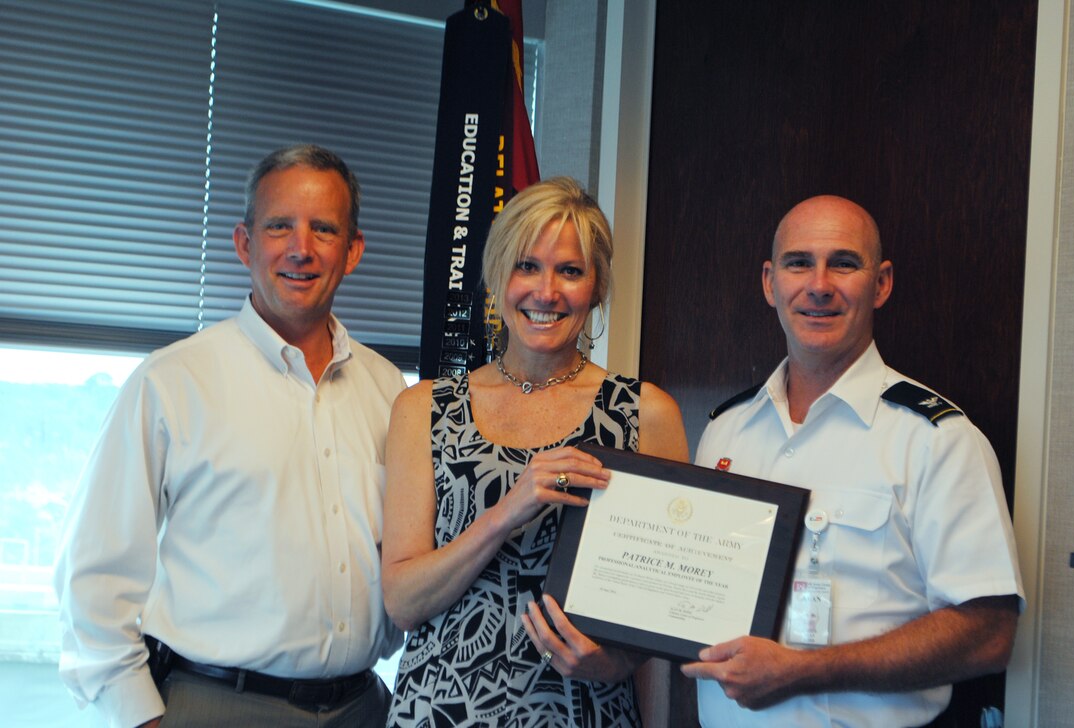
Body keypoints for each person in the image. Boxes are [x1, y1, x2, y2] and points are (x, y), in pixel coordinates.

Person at [53, 144, 404, 728]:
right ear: (245, 244)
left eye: (324, 228)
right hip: (216, 706)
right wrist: (139, 716)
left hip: (363, 707)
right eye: (279, 226)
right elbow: (94, 573)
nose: (301, 248)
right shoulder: (171, 382)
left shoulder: (389, 389)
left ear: (353, 250)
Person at [680, 195, 1024, 727]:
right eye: (799, 263)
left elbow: (988, 633)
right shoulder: (725, 430)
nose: (819, 284)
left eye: (844, 262)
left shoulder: (937, 440)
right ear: (770, 283)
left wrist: (805, 670)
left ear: (881, 283)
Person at [381, 176, 689, 726]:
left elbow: (668, 605)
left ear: (596, 287)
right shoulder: (424, 408)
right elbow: (403, 602)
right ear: (498, 276)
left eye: (570, 271)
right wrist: (504, 513)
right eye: (527, 265)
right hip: (441, 709)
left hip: (584, 710)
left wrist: (615, 660)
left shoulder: (646, 415)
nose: (546, 292)